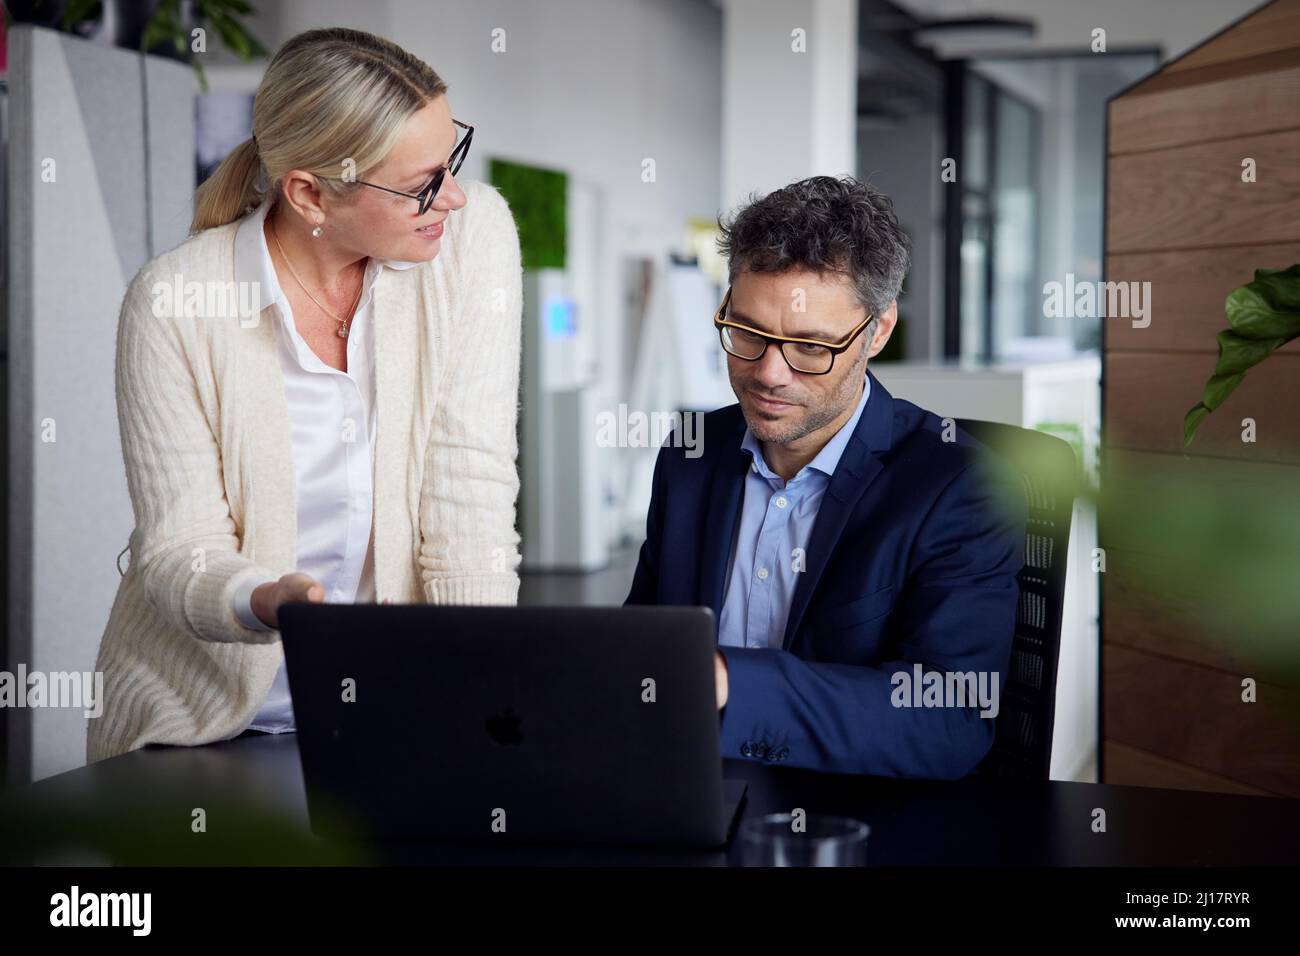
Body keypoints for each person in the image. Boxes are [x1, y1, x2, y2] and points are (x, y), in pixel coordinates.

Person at [88, 28, 523, 761]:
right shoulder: (174, 301)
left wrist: (478, 700)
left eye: (451, 157)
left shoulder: (472, 240)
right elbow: (178, 551)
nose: (450, 196)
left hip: (399, 714)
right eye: (421, 182)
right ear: (311, 194)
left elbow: (469, 487)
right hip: (202, 723)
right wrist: (265, 602)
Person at [625, 175, 1026, 779]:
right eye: (746, 333)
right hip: (684, 790)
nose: (769, 374)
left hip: (855, 819)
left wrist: (733, 684)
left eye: (810, 348)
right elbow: (642, 640)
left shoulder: (962, 486)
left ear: (878, 330)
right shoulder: (692, 455)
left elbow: (950, 717)